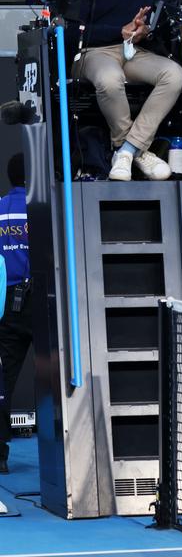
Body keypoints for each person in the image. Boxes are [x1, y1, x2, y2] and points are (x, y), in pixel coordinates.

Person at [73, 0, 182, 182]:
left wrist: (144, 31)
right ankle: (134, 151)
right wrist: (119, 31)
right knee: (111, 78)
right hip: (94, 53)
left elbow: (169, 25)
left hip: (136, 52)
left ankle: (126, 150)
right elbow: (72, 32)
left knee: (174, 74)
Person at [0, 155, 29, 475]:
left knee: (2, 382)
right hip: (45, 301)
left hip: (5, 304)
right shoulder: (45, 208)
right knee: (61, 379)